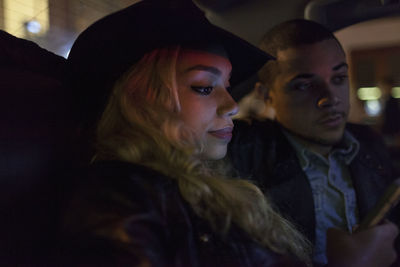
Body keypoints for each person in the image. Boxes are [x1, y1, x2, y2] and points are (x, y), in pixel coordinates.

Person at [58, 3, 397, 266]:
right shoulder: (120, 197)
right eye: (205, 87)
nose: (232, 105)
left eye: (228, 86)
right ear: (141, 98)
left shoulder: (204, 186)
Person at [228, 19, 400, 266]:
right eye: (304, 85)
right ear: (267, 95)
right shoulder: (245, 150)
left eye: (339, 78)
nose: (329, 99)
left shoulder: (367, 142)